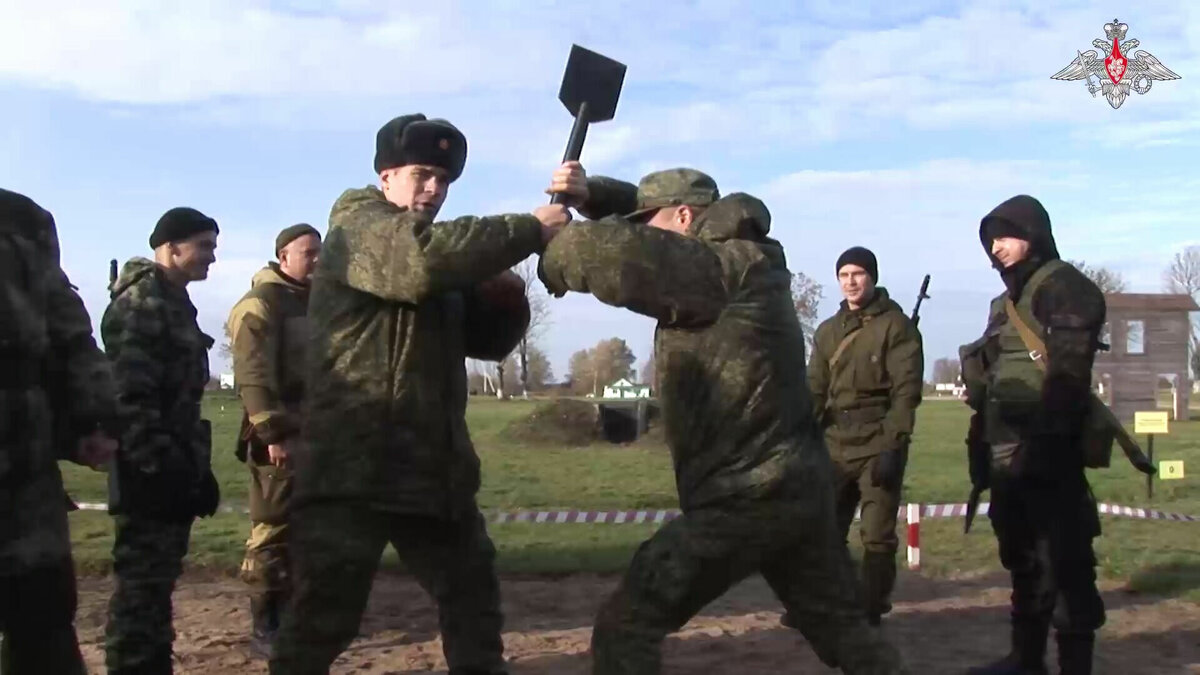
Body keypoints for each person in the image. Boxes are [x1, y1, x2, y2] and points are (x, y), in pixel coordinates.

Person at [540, 163, 906, 674]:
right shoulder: (748, 255)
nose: (641, 229)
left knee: (627, 626)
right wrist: (592, 195)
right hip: (799, 488)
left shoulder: (718, 267)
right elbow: (650, 228)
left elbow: (620, 256)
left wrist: (553, 241)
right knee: (846, 632)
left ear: (686, 217)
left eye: (650, 220)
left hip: (745, 496)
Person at [269, 113, 570, 675]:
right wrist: (528, 229)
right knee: (322, 619)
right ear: (386, 176)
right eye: (422, 174)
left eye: (445, 180)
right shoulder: (358, 230)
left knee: (474, 603)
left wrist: (508, 292)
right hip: (352, 473)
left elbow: (487, 342)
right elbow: (418, 262)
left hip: (432, 471)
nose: (434, 189)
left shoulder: (434, 251)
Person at [959, 195, 1106, 675]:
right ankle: (1026, 660)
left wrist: (1041, 454)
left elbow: (1066, 379)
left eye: (1005, 236)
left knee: (1066, 566)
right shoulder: (1004, 304)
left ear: (1033, 233)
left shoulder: (1064, 288)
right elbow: (995, 379)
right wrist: (981, 445)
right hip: (1006, 454)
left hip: (1048, 455)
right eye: (990, 240)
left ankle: (1074, 667)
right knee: (1024, 561)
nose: (996, 247)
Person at [0, 188, 119, 674]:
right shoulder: (20, 220)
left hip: (19, 452)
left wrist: (87, 422)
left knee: (41, 616)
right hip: (20, 446)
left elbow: (66, 335)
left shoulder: (19, 220)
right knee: (40, 618)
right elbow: (69, 335)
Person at [102, 206, 223, 674]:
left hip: (171, 461)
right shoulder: (143, 304)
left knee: (156, 587)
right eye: (204, 246)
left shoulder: (172, 301)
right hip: (147, 470)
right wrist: (161, 468)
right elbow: (130, 400)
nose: (211, 258)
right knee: (141, 593)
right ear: (171, 248)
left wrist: (193, 469)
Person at [805, 246, 923, 625]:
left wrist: (894, 445)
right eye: (844, 275)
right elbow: (814, 391)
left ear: (872, 277)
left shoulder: (896, 327)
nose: (851, 282)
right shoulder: (826, 333)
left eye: (858, 274)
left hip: (878, 440)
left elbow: (905, 393)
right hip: (834, 443)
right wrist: (799, 437)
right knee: (825, 531)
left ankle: (870, 608)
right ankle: (829, 601)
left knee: (876, 535)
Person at [226, 223, 322, 656]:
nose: (318, 259)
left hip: (314, 431)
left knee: (309, 528)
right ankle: (264, 624)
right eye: (309, 252)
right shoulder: (260, 304)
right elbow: (252, 375)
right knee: (272, 528)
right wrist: (273, 435)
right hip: (278, 437)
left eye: (322, 251)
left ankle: (297, 617)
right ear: (283, 257)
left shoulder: (311, 301)